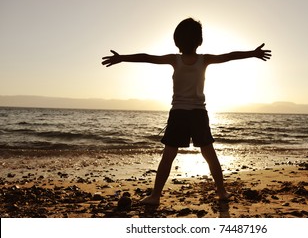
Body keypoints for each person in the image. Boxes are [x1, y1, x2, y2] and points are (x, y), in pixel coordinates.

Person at [102, 18, 271, 205]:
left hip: (179, 114)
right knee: (209, 154)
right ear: (199, 41)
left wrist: (122, 58)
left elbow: (147, 57)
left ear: (177, 41)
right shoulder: (204, 59)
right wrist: (253, 53)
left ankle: (155, 196)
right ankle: (222, 192)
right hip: (198, 114)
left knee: (168, 155)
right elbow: (230, 55)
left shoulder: (175, 59)